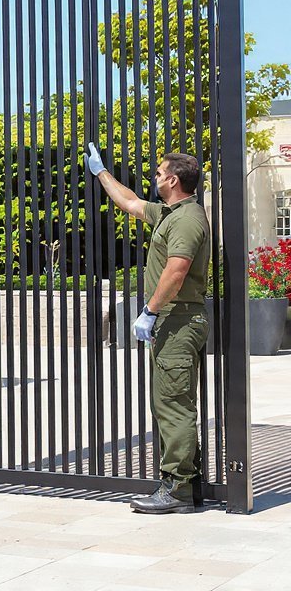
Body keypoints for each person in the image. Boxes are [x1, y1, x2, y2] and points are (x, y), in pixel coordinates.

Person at [87, 144, 209, 513]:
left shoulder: (187, 220)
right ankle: (183, 484)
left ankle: (178, 490)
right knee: (169, 401)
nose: (154, 177)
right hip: (171, 320)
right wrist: (101, 172)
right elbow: (130, 202)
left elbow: (177, 269)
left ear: (173, 180)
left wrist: (150, 311)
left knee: (173, 404)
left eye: (159, 173)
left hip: (178, 319)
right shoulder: (170, 213)